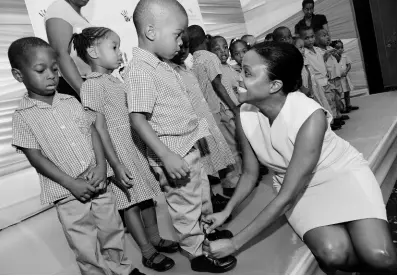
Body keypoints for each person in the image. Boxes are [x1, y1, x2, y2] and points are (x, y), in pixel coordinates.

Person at [202, 42, 397, 275]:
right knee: (334, 255)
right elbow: (250, 173)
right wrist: (227, 211)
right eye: (240, 70)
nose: (238, 80)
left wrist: (234, 243)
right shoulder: (245, 113)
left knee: (381, 257)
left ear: (274, 85)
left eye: (247, 73)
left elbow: (286, 197)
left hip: (341, 175)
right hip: (300, 191)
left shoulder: (309, 115)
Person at [8, 37, 143, 275]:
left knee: (112, 230)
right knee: (84, 242)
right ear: (18, 75)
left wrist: (102, 166)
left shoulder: (70, 101)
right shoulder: (22, 116)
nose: (51, 75)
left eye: (54, 69)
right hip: (67, 193)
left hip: (99, 183)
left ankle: (122, 269)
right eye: (40, 70)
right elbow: (35, 158)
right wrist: (71, 183)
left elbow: (92, 132)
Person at [124, 0, 237, 273]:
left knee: (201, 197)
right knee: (184, 206)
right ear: (151, 31)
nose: (180, 43)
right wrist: (165, 156)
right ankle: (196, 252)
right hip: (171, 154)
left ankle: (207, 233)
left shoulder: (161, 65)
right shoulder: (140, 69)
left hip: (187, 145)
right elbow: (137, 119)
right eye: (177, 35)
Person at [72, 26, 178, 272]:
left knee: (146, 195)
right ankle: (147, 250)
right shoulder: (91, 86)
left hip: (133, 147)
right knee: (129, 201)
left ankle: (155, 238)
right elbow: (97, 128)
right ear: (92, 51)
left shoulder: (114, 80)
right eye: (114, 47)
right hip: (116, 153)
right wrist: (115, 164)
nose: (120, 52)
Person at [168, 31, 237, 212]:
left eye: (186, 47)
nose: (182, 51)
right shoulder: (172, 74)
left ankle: (213, 199)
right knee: (202, 166)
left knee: (210, 162)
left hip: (205, 120)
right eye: (179, 47)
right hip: (193, 126)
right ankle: (210, 204)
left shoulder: (186, 69)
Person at [188, 26, 243, 198]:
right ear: (206, 40)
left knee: (223, 149)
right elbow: (217, 85)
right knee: (232, 147)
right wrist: (233, 107)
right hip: (218, 110)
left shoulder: (192, 62)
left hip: (207, 113)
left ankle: (232, 182)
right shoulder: (209, 57)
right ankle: (234, 183)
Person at [45, 0, 93, 101]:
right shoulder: (59, 8)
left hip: (87, 84)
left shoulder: (74, 13)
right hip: (76, 86)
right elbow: (60, 54)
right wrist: (86, 95)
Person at [299, 26, 342, 130]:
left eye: (312, 36)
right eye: (306, 38)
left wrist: (331, 53)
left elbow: (325, 57)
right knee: (322, 104)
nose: (310, 40)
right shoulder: (304, 52)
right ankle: (328, 124)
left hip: (325, 80)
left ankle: (333, 120)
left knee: (330, 101)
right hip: (317, 83)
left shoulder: (318, 50)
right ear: (301, 39)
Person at [314, 29, 349, 124]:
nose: (327, 37)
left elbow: (337, 60)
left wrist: (337, 54)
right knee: (332, 99)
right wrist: (328, 54)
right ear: (316, 39)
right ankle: (334, 117)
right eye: (324, 36)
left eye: (327, 35)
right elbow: (322, 61)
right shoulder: (318, 51)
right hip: (330, 78)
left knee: (338, 97)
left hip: (337, 77)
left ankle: (339, 114)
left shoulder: (329, 47)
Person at [330, 40, 359, 113]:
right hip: (338, 79)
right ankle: (341, 108)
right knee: (339, 93)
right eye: (337, 48)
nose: (340, 49)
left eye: (341, 47)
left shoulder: (345, 56)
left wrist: (346, 72)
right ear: (333, 49)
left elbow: (349, 65)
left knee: (347, 91)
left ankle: (348, 105)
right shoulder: (332, 58)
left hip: (345, 78)